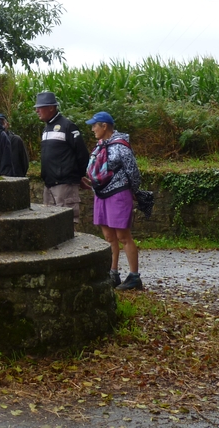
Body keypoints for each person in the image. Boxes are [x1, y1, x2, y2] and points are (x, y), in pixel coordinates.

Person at [84, 112, 143, 291]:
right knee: (109, 237)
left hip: (118, 194)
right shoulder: (100, 146)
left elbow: (133, 172)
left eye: (95, 125)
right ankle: (113, 273)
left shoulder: (121, 146)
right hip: (101, 195)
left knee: (123, 236)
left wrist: (133, 191)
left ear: (104, 126)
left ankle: (134, 277)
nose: (92, 129)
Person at [34, 91, 90, 226]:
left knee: (66, 226)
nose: (37, 110)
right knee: (50, 226)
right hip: (49, 185)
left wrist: (79, 175)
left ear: (51, 107)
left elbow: (82, 154)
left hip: (64, 186)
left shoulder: (68, 126)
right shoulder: (46, 128)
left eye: (40, 107)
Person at [0, 114, 29, 178]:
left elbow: (24, 162)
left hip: (16, 177)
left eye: (2, 123)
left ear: (7, 124)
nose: (0, 126)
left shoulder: (16, 140)